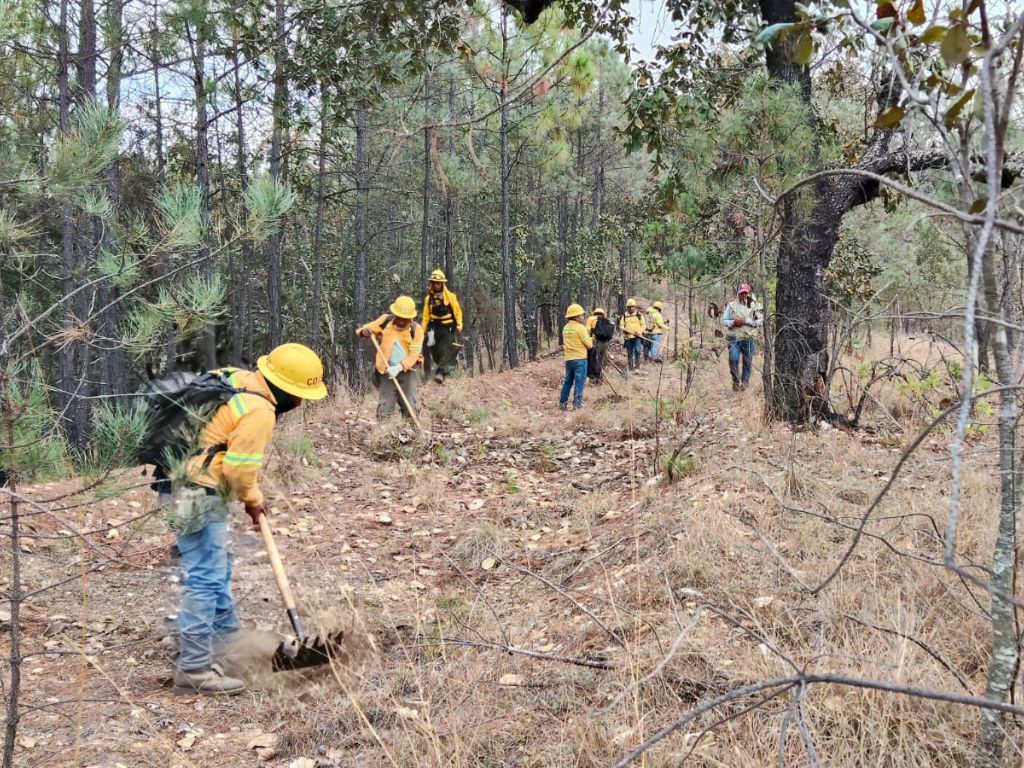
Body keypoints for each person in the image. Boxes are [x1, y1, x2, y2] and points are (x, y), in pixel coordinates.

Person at [167, 343, 328, 695]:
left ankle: (227, 646)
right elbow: (240, 471)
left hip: (181, 480)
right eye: (300, 395)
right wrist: (254, 501)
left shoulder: (236, 378)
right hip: (196, 490)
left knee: (216, 566)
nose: (300, 403)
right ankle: (193, 668)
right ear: (285, 389)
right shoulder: (259, 410)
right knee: (206, 576)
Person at [358, 296, 425, 419]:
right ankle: (383, 434)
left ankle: (413, 433)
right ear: (395, 314)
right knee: (385, 406)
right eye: (399, 318)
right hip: (386, 371)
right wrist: (365, 331)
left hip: (407, 372)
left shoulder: (416, 330)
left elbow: (414, 354)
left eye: (405, 319)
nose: (402, 321)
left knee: (410, 405)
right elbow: (367, 328)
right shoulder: (385, 321)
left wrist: (400, 367)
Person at [421, 269, 463, 384]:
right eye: (434, 282)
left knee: (446, 350)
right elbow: (425, 316)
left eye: (438, 283)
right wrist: (423, 330)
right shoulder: (428, 299)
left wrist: (459, 324)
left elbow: (457, 311)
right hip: (433, 329)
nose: (436, 285)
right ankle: (445, 373)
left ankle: (440, 373)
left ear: (442, 284)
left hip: (448, 328)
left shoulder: (450, 297)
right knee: (435, 352)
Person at [722, 282, 763, 391]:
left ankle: (744, 385)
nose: (744, 295)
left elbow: (760, 321)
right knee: (733, 359)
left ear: (748, 293)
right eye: (742, 293)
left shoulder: (754, 306)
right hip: (734, 338)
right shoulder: (731, 305)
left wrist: (748, 321)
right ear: (738, 293)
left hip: (748, 338)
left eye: (745, 293)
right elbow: (724, 321)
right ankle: (736, 382)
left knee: (747, 362)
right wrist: (733, 322)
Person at [560, 303, 593, 410]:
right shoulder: (580, 328)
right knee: (579, 382)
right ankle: (577, 405)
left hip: (569, 359)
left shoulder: (565, 328)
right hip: (580, 359)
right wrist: (592, 339)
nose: (583, 317)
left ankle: (563, 403)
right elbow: (589, 345)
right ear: (576, 316)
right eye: (581, 315)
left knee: (568, 382)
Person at [586, 308, 613, 383]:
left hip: (595, 342)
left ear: (594, 313)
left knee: (593, 360)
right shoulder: (605, 320)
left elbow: (587, 330)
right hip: (604, 343)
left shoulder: (590, 319)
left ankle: (593, 379)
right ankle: (601, 378)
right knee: (602, 360)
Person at [620, 298, 646, 371]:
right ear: (627, 307)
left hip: (637, 337)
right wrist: (625, 330)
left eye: (632, 307)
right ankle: (630, 367)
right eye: (629, 307)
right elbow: (621, 325)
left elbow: (643, 325)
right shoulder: (624, 315)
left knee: (637, 351)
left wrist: (639, 332)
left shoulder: (639, 315)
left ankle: (637, 367)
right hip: (628, 338)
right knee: (629, 352)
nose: (631, 308)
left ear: (635, 307)